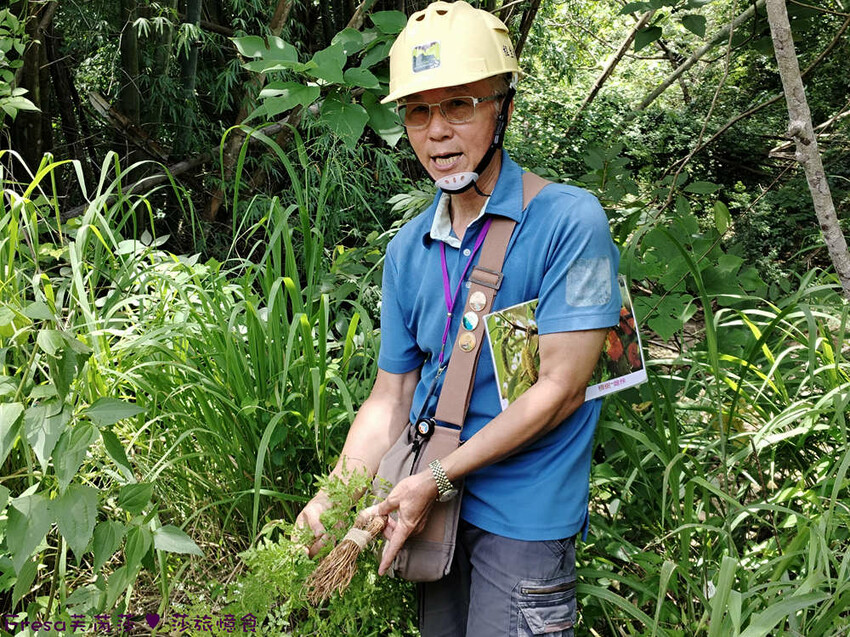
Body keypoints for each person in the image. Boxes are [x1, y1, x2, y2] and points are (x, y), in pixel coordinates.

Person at [296, 2, 622, 635]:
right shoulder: (407, 249)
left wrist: (437, 477)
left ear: (500, 105)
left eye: (459, 105)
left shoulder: (567, 223)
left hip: (523, 512)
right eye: (419, 111)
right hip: (429, 505)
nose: (437, 132)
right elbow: (391, 394)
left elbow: (562, 388)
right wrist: (333, 498)